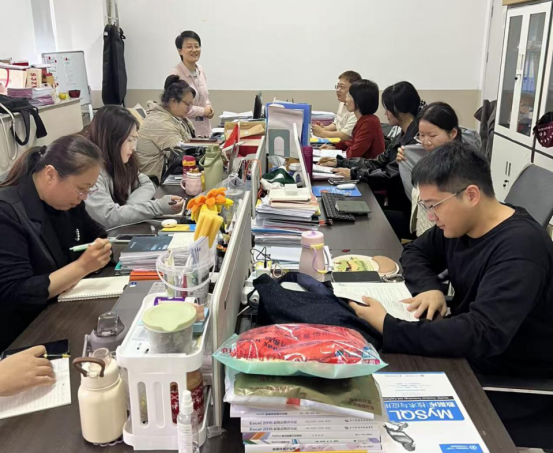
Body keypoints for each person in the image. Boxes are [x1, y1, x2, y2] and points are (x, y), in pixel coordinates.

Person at [349, 142, 553, 446]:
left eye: (434, 205)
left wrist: (389, 326)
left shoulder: (520, 249)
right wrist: (430, 288)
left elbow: (482, 333)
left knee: (371, 407)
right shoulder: (463, 225)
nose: (431, 217)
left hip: (508, 383)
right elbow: (416, 253)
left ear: (471, 195)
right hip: (469, 354)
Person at [0, 135, 112, 351]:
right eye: (81, 188)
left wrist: (99, 251)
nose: (83, 197)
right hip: (23, 334)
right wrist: (81, 267)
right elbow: (15, 293)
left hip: (61, 312)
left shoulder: (68, 204)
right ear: (50, 174)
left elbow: (97, 235)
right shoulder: (7, 213)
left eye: (89, 190)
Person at [320, 81, 422, 238]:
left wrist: (354, 173)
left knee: (360, 221)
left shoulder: (413, 143)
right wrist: (342, 162)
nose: (385, 113)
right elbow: (378, 161)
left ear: (400, 111)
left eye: (388, 108)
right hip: (398, 204)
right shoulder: (402, 135)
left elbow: (389, 176)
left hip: (408, 214)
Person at [84, 105, 184, 230]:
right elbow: (110, 217)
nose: (134, 147)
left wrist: (128, 210)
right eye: (129, 140)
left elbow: (146, 183)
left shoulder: (121, 161)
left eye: (135, 140)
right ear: (112, 139)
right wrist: (157, 207)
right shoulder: (90, 172)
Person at [396, 102, 462, 237]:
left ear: (453, 133)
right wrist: (402, 163)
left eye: (432, 136)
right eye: (421, 135)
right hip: (425, 233)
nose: (425, 142)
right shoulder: (426, 158)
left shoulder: (460, 166)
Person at [136, 75, 196, 183]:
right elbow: (183, 153)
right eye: (187, 104)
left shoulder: (177, 118)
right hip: (155, 183)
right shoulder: (158, 122)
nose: (189, 109)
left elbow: (192, 143)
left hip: (170, 175)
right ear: (173, 102)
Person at [319, 79, 384, 160]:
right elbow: (353, 143)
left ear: (359, 100)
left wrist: (337, 155)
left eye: (349, 96)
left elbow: (354, 153)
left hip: (367, 166)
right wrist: (335, 147)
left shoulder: (369, 122)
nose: (346, 99)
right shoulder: (363, 120)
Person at [172, 30, 213, 137]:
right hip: (186, 133)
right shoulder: (176, 74)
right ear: (180, 51)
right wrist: (203, 111)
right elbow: (177, 108)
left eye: (197, 46)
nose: (194, 50)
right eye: (189, 47)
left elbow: (205, 97)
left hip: (205, 131)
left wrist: (209, 108)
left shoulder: (200, 69)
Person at [312, 71, 362, 141]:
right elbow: (336, 125)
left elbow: (345, 136)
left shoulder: (356, 110)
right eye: (337, 86)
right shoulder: (342, 103)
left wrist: (322, 133)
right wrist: (323, 128)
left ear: (353, 90)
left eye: (342, 87)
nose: (338, 90)